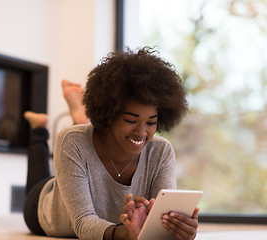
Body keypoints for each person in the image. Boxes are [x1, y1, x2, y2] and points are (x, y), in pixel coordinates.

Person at [23, 47, 199, 240]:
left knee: (80, 140)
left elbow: (160, 222)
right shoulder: (70, 141)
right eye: (131, 121)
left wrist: (177, 229)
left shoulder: (161, 151)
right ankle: (39, 129)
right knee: (41, 175)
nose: (142, 132)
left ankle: (78, 117)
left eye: (151, 122)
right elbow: (82, 223)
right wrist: (125, 234)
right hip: (43, 208)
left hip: (82, 162)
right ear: (109, 115)